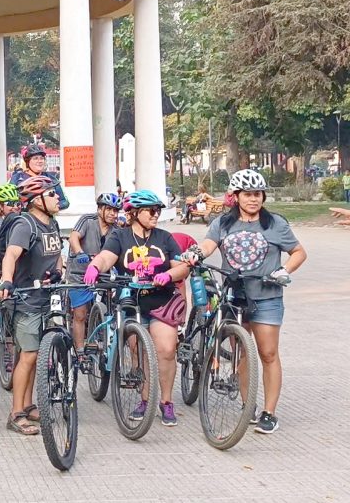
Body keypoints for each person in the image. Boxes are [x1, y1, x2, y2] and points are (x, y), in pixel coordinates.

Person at [180, 169, 307, 434]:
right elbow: (208, 245)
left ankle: (269, 412)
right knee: (243, 349)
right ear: (235, 196)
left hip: (267, 296)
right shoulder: (223, 224)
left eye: (258, 194)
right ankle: (248, 405)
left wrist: (284, 270)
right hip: (234, 296)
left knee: (268, 353)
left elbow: (298, 252)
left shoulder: (275, 224)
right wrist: (194, 253)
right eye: (248, 194)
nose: (253, 199)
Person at [84, 189, 190, 427]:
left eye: (158, 211)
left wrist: (169, 275)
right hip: (131, 302)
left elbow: (182, 267)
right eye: (151, 211)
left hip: (161, 301)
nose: (156, 215)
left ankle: (165, 402)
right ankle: (145, 400)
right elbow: (106, 257)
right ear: (134, 213)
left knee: (166, 349)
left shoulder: (164, 238)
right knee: (139, 351)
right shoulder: (120, 237)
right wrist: (94, 267)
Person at [0, 175, 63, 435]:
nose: (58, 198)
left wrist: (58, 272)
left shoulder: (53, 224)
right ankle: (15, 414)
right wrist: (7, 281)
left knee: (36, 356)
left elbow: (56, 255)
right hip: (26, 299)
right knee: (29, 355)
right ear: (37, 201)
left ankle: (28, 404)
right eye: (52, 194)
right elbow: (11, 255)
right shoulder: (26, 225)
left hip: (48, 297)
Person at [67, 193, 122, 352]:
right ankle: (80, 350)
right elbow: (74, 237)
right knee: (80, 314)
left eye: (116, 211)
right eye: (109, 209)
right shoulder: (87, 220)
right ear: (100, 209)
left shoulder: (116, 230)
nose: (113, 214)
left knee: (110, 310)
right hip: (79, 275)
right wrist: (80, 253)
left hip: (102, 276)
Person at [9, 144, 69, 210]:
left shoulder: (51, 178)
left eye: (41, 158)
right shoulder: (17, 178)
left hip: (47, 217)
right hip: (25, 217)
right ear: (27, 161)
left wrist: (47, 207)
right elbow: (9, 201)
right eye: (35, 158)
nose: (39, 161)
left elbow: (64, 202)